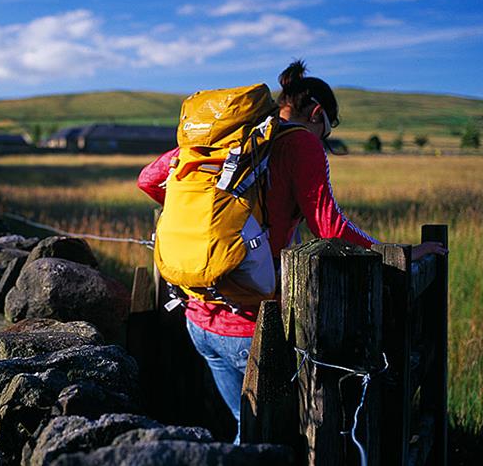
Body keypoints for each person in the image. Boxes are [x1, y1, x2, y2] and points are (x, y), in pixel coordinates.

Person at [138, 60, 447, 443]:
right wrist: (399, 253)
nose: (323, 142)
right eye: (326, 133)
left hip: (197, 317)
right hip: (252, 325)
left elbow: (148, 180)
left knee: (243, 424)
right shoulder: (299, 143)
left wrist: (200, 217)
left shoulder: (222, 142)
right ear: (316, 114)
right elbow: (331, 228)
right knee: (262, 438)